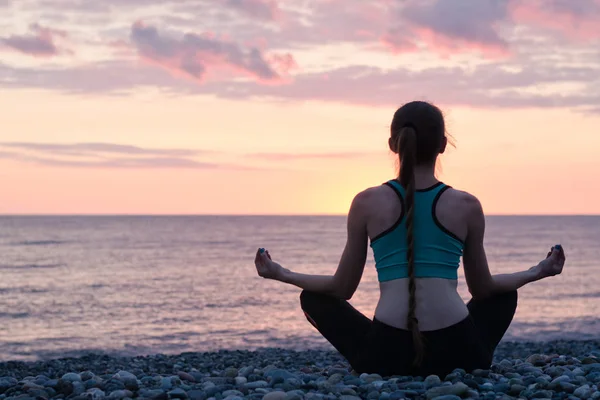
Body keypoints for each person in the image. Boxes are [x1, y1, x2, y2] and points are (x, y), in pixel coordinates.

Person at [253, 101, 566, 377]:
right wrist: (538, 271)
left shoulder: (366, 202)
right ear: (443, 144)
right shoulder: (467, 205)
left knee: (313, 298)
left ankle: (368, 364)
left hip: (384, 355)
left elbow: (341, 289)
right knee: (504, 293)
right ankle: (474, 364)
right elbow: (482, 289)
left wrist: (281, 273)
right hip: (461, 354)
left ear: (393, 144)